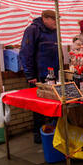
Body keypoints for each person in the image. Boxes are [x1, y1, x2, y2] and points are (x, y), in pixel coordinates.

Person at [19, 10, 59, 144]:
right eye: (53, 19)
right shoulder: (32, 30)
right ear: (44, 18)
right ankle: (38, 132)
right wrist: (30, 75)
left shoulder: (54, 31)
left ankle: (53, 129)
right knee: (38, 106)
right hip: (38, 76)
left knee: (54, 103)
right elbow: (25, 52)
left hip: (53, 75)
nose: (56, 22)